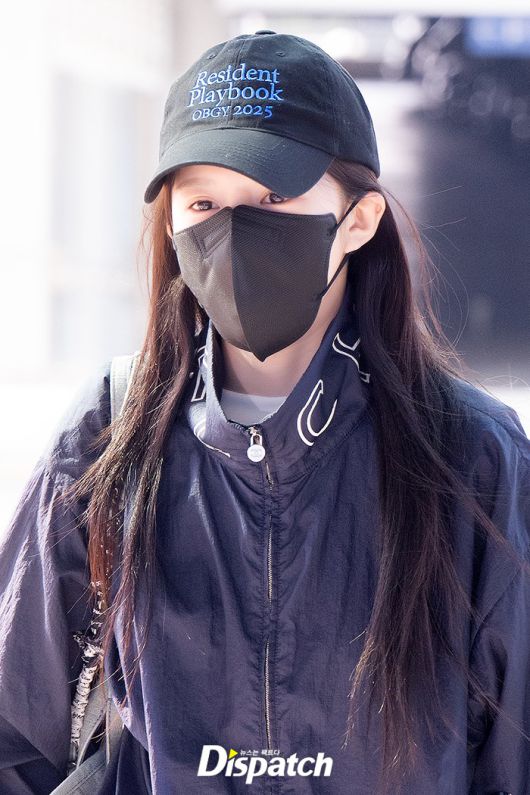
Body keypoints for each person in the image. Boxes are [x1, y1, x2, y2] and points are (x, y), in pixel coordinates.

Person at [0, 29, 529, 795]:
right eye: (204, 203)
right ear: (172, 223)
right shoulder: (108, 432)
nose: (234, 229)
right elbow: (15, 735)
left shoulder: (472, 453)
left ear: (359, 219)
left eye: (274, 197)